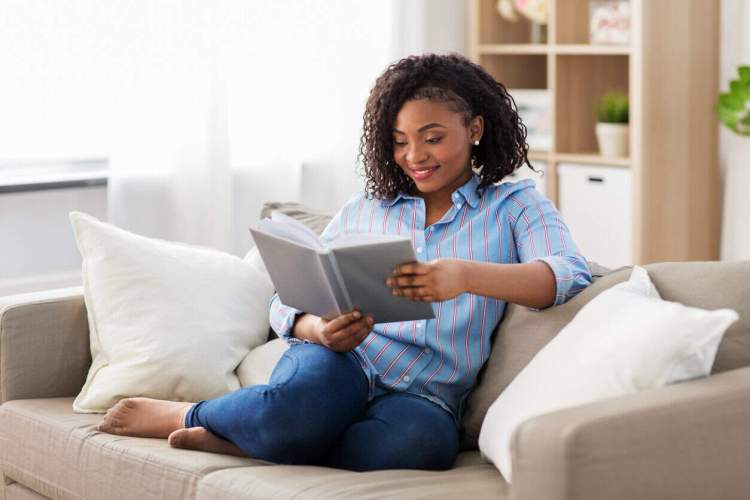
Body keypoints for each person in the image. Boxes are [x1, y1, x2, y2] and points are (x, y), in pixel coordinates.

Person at [97, 53, 592, 471]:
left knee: (421, 446)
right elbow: (285, 301)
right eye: (399, 140)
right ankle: (189, 416)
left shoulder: (515, 206)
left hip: (425, 394)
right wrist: (315, 328)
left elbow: (568, 276)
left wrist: (465, 275)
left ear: (475, 129)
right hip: (342, 361)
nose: (414, 155)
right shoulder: (367, 210)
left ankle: (245, 438)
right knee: (297, 409)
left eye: (433, 137)